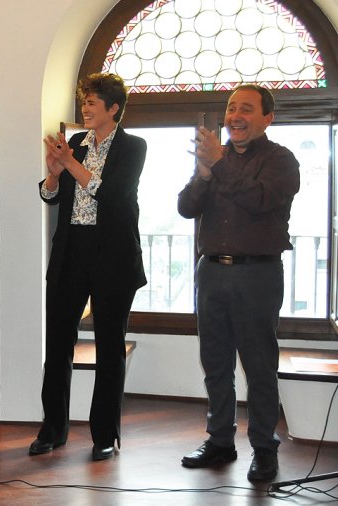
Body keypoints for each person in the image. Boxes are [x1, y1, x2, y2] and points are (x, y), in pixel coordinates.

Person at [178, 84, 300, 482]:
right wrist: (202, 174)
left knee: (258, 364)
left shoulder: (281, 160)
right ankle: (219, 441)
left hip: (257, 273)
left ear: (268, 118)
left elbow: (261, 200)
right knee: (215, 362)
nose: (235, 116)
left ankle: (264, 448)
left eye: (246, 109)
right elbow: (185, 207)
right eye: (231, 108)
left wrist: (219, 165)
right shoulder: (216, 159)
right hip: (211, 270)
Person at [30, 73, 147, 461]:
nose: (86, 108)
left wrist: (71, 165)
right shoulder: (76, 144)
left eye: (93, 103)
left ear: (113, 108)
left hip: (113, 256)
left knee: (108, 347)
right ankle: (52, 430)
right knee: (58, 342)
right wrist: (54, 171)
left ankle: (105, 435)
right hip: (71, 252)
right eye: (84, 102)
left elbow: (112, 195)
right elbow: (50, 196)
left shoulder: (133, 147)